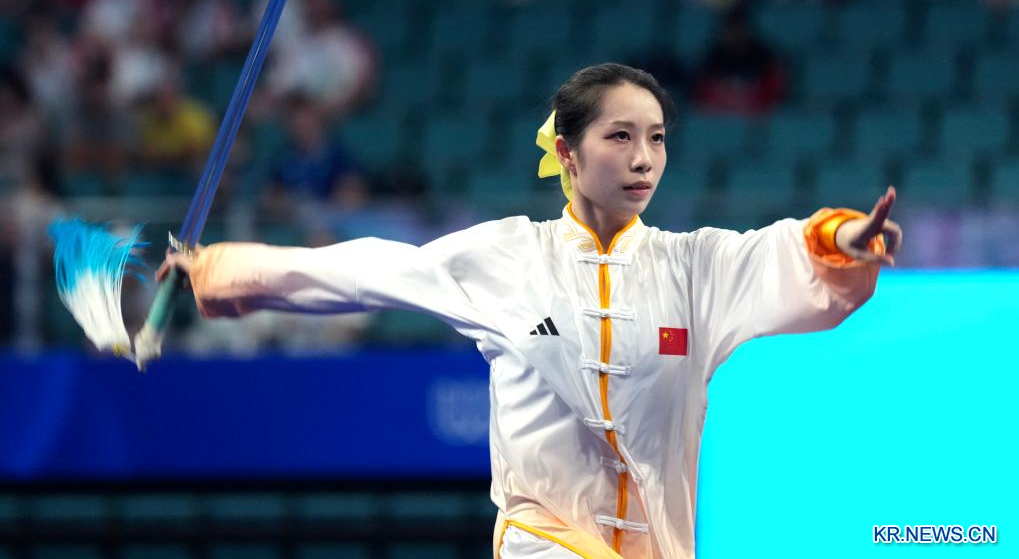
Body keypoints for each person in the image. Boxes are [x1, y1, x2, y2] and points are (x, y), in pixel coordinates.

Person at [157, 63, 902, 559]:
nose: (643, 157)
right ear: (569, 153)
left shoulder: (697, 266)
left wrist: (845, 238)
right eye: (620, 136)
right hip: (539, 543)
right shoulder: (507, 255)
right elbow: (366, 270)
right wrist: (222, 270)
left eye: (655, 139)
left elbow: (785, 253)